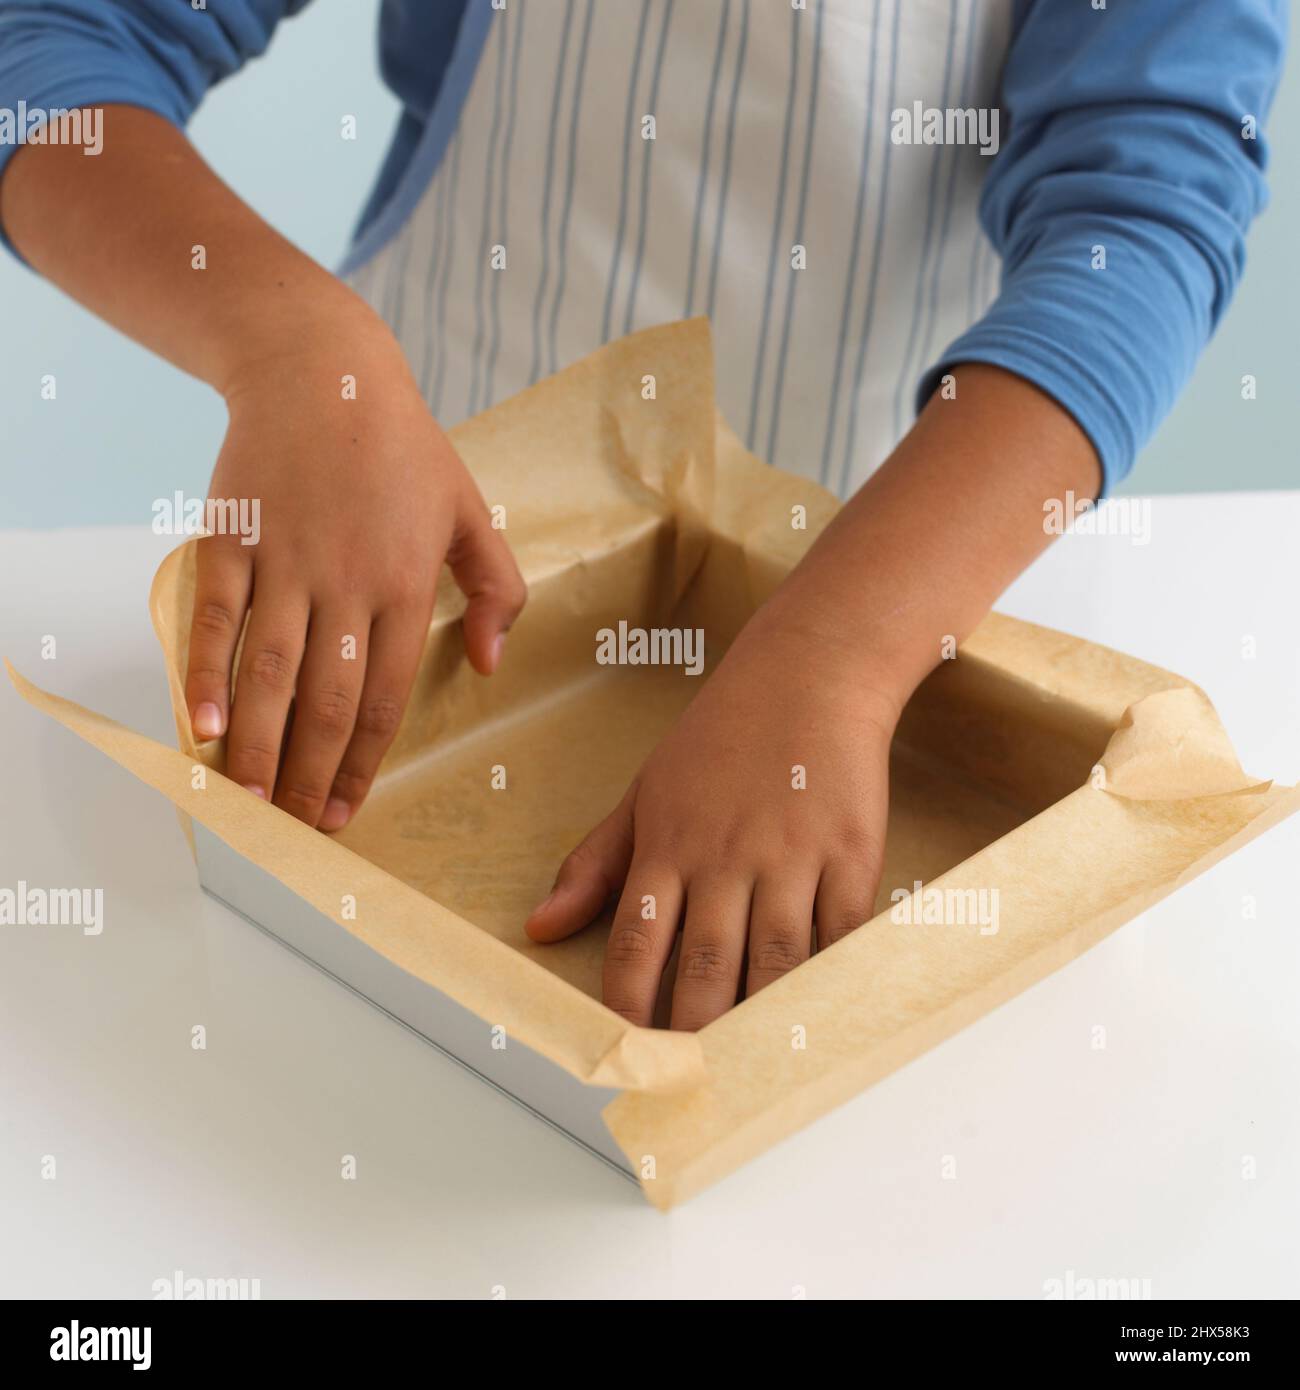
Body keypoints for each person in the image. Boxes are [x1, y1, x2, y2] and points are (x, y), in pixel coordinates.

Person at [0, 0, 1284, 1031]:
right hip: (409, 527)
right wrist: (292, 349)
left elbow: (1137, 220)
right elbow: (45, 51)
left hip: (906, 559)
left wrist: (834, 655)